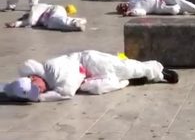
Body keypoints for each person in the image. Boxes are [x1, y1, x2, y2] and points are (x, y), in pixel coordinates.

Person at [1, 50, 178, 102]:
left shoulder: (52, 72)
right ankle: (133, 80)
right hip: (88, 76)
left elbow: (66, 92)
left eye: (37, 87)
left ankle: (158, 71)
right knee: (100, 87)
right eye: (37, 92)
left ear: (33, 78)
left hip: (89, 61)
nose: (41, 89)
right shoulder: (45, 76)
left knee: (127, 67)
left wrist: (42, 98)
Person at [5, 3, 86, 32]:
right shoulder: (37, 18)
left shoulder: (36, 8)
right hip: (49, 19)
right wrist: (15, 24)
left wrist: (18, 22)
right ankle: (75, 26)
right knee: (53, 24)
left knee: (55, 19)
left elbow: (31, 20)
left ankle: (74, 22)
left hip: (53, 11)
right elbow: (26, 22)